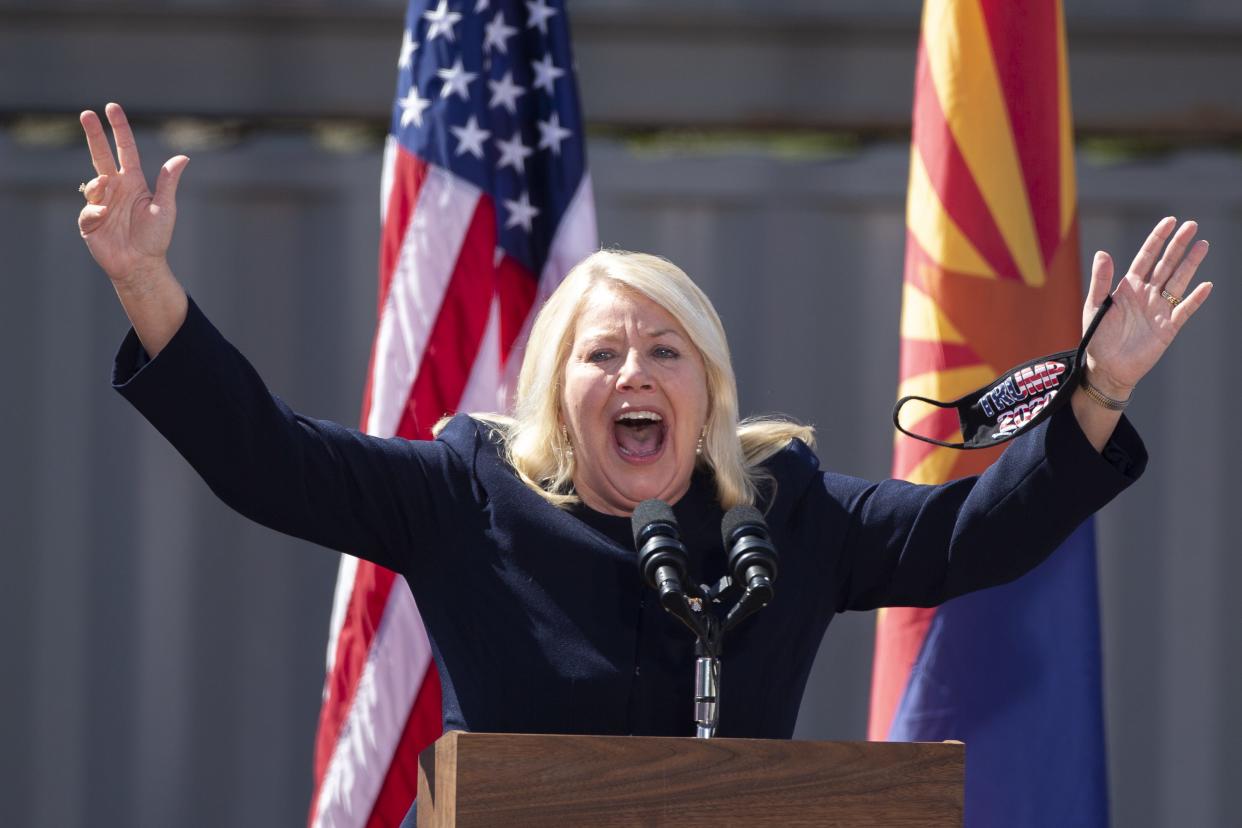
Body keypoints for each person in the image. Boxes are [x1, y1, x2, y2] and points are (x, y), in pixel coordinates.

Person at [78, 103, 1212, 738]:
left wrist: (1097, 393)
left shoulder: (785, 510)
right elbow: (267, 461)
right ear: (555, 394)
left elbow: (974, 538)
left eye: (667, 352)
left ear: (708, 392)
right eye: (603, 352)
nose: (637, 373)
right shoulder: (468, 496)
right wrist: (145, 285)